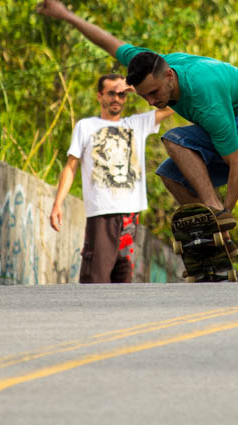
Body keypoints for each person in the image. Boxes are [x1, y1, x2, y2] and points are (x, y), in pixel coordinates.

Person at [36, 0, 238, 227]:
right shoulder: (149, 63)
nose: (152, 102)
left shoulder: (205, 97)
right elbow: (108, 42)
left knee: (175, 140)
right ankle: (215, 239)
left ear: (169, 76)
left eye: (154, 93)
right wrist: (64, 14)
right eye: (144, 96)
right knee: (170, 174)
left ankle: (215, 216)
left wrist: (226, 212)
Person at [49, 73, 172, 283]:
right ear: (99, 96)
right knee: (95, 280)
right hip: (102, 213)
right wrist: (57, 204)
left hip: (131, 217)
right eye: (112, 93)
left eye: (122, 95)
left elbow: (172, 106)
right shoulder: (86, 126)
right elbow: (71, 167)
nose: (117, 99)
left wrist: (139, 89)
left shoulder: (137, 124)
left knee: (123, 282)